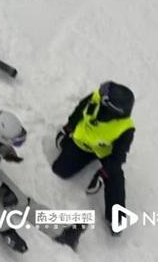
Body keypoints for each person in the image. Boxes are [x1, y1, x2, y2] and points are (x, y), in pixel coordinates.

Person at [0, 106, 84, 252]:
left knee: (20, 200)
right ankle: (6, 232)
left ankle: (61, 232)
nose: (14, 144)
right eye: (13, 142)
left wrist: (7, 152)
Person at [52, 82, 135, 236]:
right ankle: (69, 147)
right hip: (81, 145)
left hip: (105, 153)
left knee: (115, 176)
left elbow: (118, 156)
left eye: (105, 97)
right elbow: (79, 110)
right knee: (60, 171)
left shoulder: (126, 128)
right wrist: (68, 128)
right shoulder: (96, 97)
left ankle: (117, 219)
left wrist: (103, 174)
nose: (100, 93)